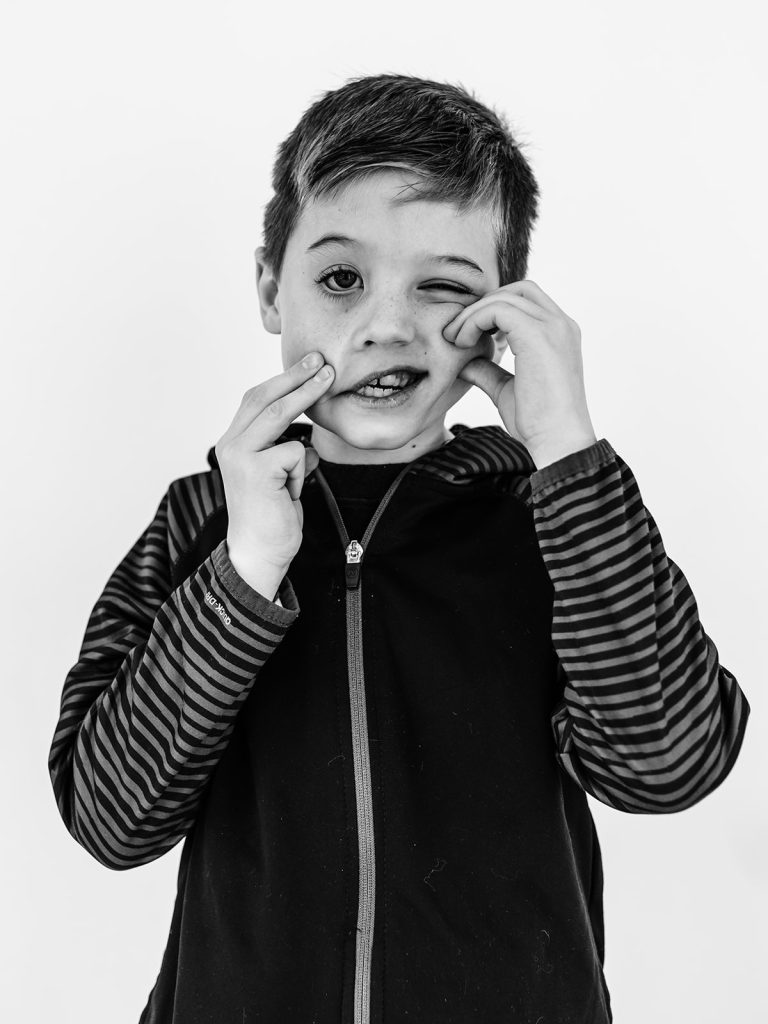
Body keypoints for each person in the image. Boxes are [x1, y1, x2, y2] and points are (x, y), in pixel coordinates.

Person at [48, 73, 750, 1024]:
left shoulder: (553, 520)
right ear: (269, 288)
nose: (386, 324)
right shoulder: (201, 525)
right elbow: (110, 819)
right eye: (341, 278)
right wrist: (246, 567)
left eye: (443, 287)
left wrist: (569, 455)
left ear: (502, 311)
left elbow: (666, 767)